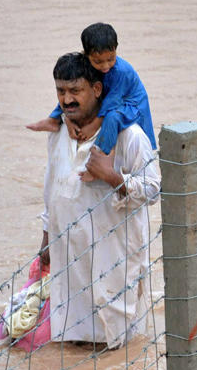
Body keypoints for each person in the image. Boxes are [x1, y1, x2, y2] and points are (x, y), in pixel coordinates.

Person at [38, 52, 160, 348]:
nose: (67, 100)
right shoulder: (59, 132)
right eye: (60, 91)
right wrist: (45, 238)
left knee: (116, 345)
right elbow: (51, 188)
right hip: (69, 256)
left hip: (114, 258)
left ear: (96, 89)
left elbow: (153, 188)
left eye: (75, 91)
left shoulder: (129, 136)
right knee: (72, 340)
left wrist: (113, 177)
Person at [27, 23, 156, 163]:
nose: (105, 66)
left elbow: (112, 101)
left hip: (131, 104)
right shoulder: (88, 64)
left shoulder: (121, 72)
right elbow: (71, 91)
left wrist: (93, 125)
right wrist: (67, 118)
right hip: (111, 97)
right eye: (98, 61)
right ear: (87, 54)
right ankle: (53, 119)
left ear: (116, 49)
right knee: (69, 89)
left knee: (112, 117)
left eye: (110, 59)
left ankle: (101, 156)